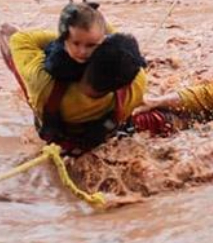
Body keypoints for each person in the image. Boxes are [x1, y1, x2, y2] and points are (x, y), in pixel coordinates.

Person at [4, 18, 147, 155]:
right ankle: (159, 103)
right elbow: (117, 45)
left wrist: (75, 41)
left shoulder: (44, 84)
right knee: (160, 117)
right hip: (105, 133)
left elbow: (20, 39)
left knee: (7, 32)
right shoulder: (138, 83)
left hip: (60, 139)